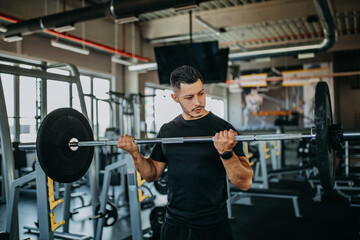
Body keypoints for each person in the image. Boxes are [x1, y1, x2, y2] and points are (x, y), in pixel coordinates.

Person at [117, 65, 253, 240]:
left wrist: (226, 153)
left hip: (212, 224)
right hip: (174, 223)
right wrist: (135, 153)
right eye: (189, 97)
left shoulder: (224, 130)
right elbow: (151, 174)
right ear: (175, 98)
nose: (198, 102)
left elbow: (245, 183)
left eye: (201, 93)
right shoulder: (167, 131)